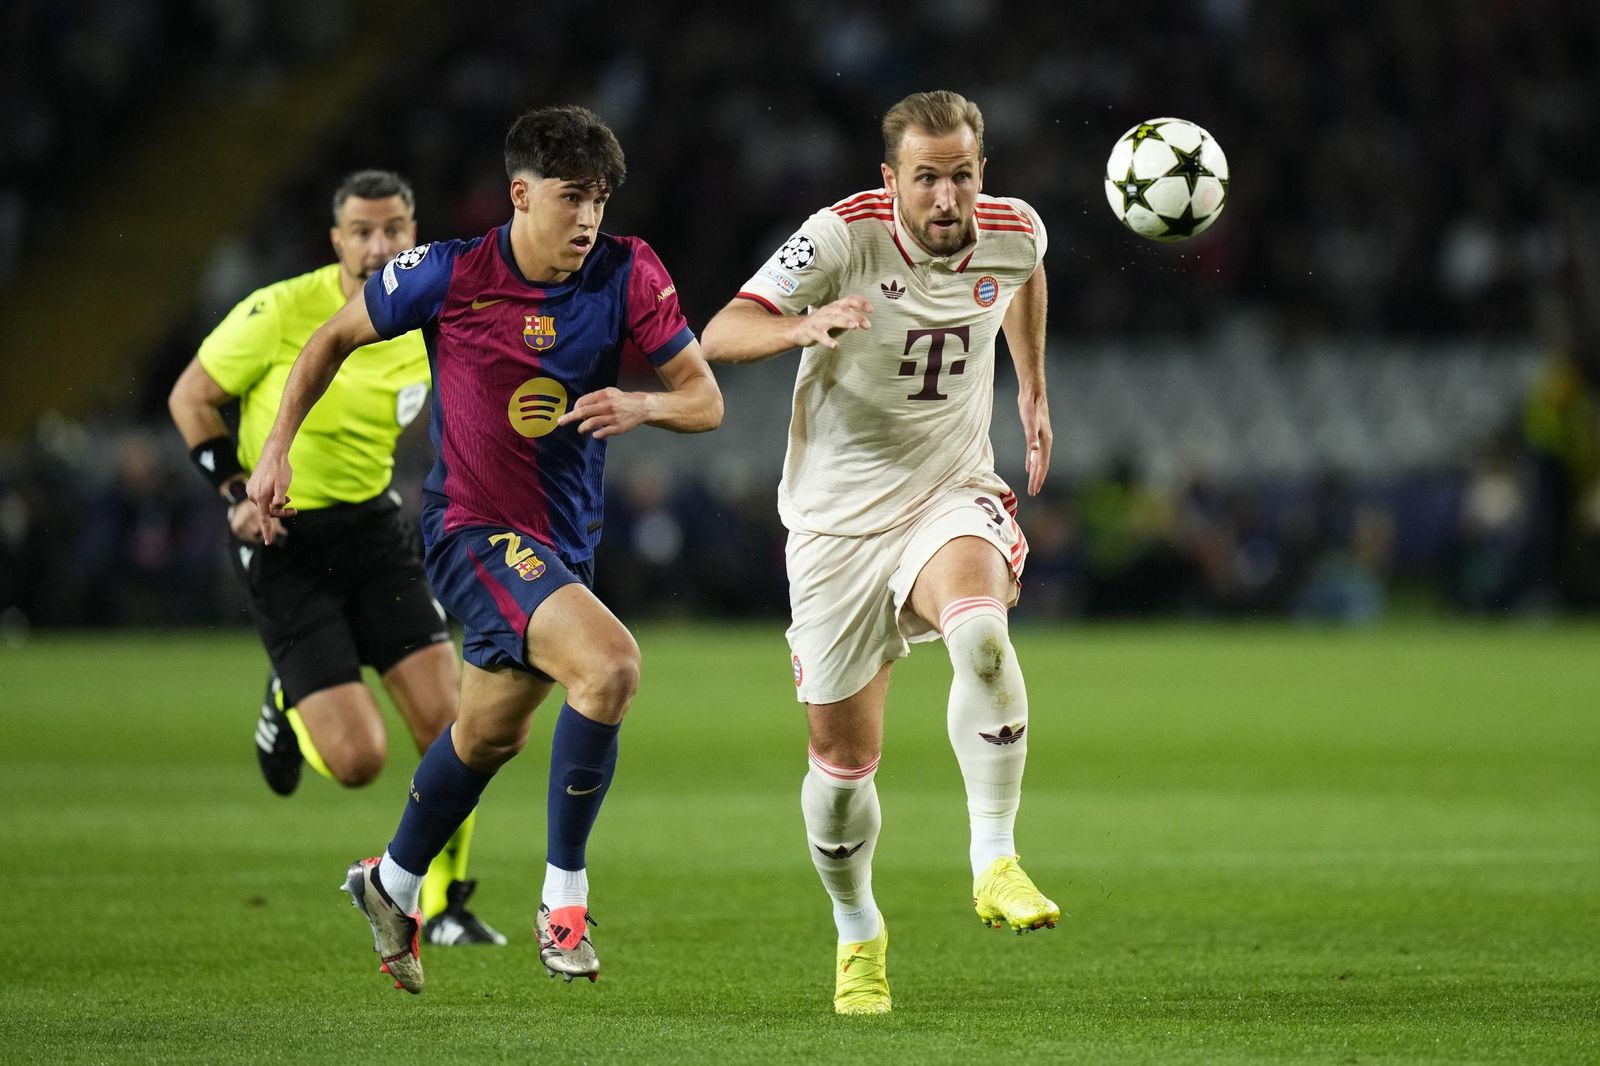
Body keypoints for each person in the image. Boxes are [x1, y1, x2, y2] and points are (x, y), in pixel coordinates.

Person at [246, 105, 722, 995]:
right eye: (572, 197)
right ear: (521, 194)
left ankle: (388, 883)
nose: (588, 218)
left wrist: (643, 405)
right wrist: (275, 449)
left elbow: (704, 399)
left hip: (562, 545)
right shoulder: (452, 272)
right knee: (612, 666)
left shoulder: (629, 270)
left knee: (486, 736)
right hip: (472, 533)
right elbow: (331, 339)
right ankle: (564, 901)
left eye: (601, 198)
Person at [701, 89, 1060, 1015]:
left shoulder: (1012, 230)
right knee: (841, 769)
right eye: (928, 179)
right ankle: (858, 929)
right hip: (833, 529)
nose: (949, 199)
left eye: (964, 176)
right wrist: (801, 327)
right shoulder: (837, 239)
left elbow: (1027, 272)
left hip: (948, 492)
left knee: (982, 632)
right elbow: (721, 332)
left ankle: (994, 857)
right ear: (891, 180)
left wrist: (1032, 389)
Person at [168, 170, 505, 949]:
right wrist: (233, 493)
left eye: (393, 229)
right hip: (281, 537)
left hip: (374, 533)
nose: (380, 245)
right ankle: (286, 698)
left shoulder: (432, 314)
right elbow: (191, 397)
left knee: (457, 726)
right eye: (362, 231)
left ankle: (443, 902)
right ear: (337, 240)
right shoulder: (281, 310)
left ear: (414, 231)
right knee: (357, 761)